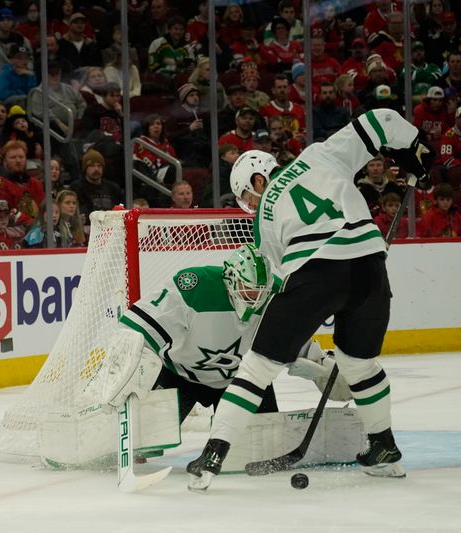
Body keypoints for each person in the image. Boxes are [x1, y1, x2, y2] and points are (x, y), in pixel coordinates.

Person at [186, 108, 436, 490]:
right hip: (371, 269)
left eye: (247, 198)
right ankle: (383, 448)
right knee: (359, 364)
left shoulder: (263, 217)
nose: (250, 206)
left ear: (258, 178)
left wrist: (295, 324)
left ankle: (214, 453)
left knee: (257, 366)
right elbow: (382, 119)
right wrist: (415, 146)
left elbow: (276, 280)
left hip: (316, 270)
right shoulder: (320, 154)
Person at [102, 245, 346, 434]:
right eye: (248, 289)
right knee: (147, 439)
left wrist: (323, 368)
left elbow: (294, 342)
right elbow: (136, 329)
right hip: (181, 376)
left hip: (243, 381)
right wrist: (125, 373)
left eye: (261, 292)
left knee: (258, 444)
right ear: (230, 279)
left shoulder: (277, 297)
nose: (254, 299)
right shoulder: (195, 288)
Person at [69, 149, 122, 224]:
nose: (96, 169)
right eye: (92, 166)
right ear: (85, 168)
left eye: (99, 166)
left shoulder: (113, 188)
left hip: (111, 227)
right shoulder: (77, 188)